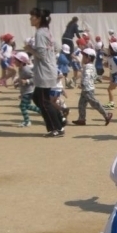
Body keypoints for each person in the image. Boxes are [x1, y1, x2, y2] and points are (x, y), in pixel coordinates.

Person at [29, 8, 66, 137]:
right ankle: (59, 120)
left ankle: (56, 128)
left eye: (32, 17)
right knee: (37, 97)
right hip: (49, 68)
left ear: (38, 19)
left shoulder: (40, 33)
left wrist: (30, 49)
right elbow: (56, 47)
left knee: (44, 102)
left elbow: (41, 54)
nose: (30, 19)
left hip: (44, 71)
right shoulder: (47, 32)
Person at [72, 48, 113, 126]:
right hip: (86, 89)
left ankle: (107, 115)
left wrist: (83, 84)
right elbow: (94, 76)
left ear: (89, 58)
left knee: (94, 103)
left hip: (88, 89)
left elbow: (87, 76)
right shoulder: (90, 66)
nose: (82, 58)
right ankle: (81, 119)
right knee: (81, 104)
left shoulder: (88, 66)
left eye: (84, 57)